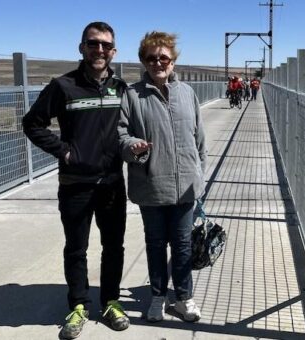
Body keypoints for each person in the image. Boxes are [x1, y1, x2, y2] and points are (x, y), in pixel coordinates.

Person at [22, 21, 130, 339]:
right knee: (76, 249)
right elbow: (33, 123)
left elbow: (131, 129)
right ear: (81, 47)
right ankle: (78, 305)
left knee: (114, 247)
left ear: (114, 51)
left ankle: (111, 302)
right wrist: (64, 152)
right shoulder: (63, 85)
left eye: (106, 46)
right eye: (93, 44)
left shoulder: (120, 88)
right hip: (75, 184)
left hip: (111, 182)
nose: (100, 50)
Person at [118, 31, 206, 323]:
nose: (158, 63)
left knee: (182, 246)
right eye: (151, 58)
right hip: (151, 185)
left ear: (173, 61)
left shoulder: (187, 93)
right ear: (143, 61)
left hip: (185, 188)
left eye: (163, 58)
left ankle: (183, 298)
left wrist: (199, 173)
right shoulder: (132, 95)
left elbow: (199, 138)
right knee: (156, 244)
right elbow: (121, 133)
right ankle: (158, 297)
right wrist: (133, 146)